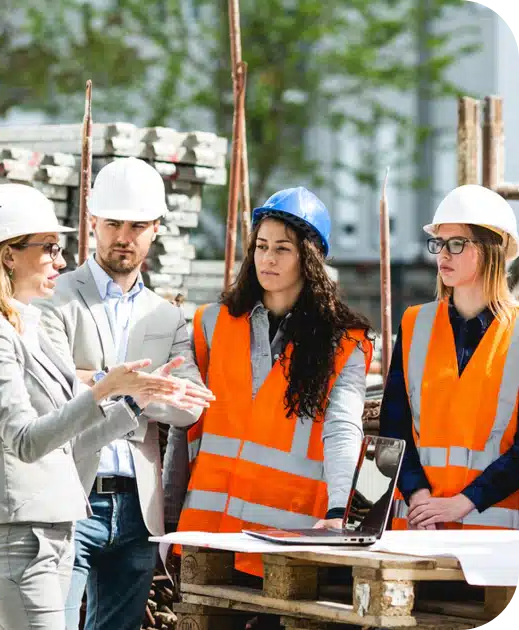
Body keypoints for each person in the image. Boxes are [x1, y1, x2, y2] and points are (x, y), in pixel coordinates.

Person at [0, 183, 202, 630]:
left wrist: (134, 401)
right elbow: (26, 441)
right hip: (18, 535)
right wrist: (103, 390)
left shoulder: (25, 325)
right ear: (9, 254)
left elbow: (67, 440)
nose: (61, 260)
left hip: (49, 530)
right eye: (48, 248)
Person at [35, 157, 212, 630]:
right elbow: (49, 394)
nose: (123, 236)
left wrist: (99, 382)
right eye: (112, 223)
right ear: (92, 223)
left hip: (136, 507)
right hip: (69, 495)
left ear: (155, 229)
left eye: (137, 225)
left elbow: (189, 407)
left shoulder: (168, 316)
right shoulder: (55, 297)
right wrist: (139, 389)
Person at [163, 186, 374, 578]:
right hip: (209, 535)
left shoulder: (344, 342)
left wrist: (336, 510)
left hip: (284, 539)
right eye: (261, 246)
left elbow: (343, 429)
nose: (267, 259)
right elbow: (184, 428)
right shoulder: (212, 323)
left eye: (282, 249)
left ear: (308, 258)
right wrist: (170, 516)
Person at [379, 184, 519, 530]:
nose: (443, 255)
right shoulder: (414, 324)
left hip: (493, 543)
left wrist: (463, 503)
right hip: (417, 531)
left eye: (457, 244)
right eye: (439, 243)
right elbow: (393, 429)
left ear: (493, 249)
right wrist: (417, 495)